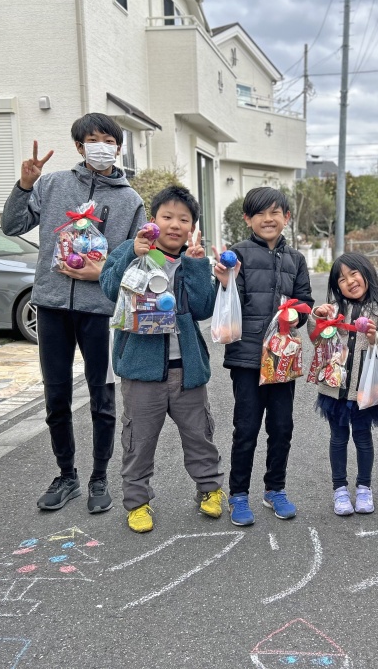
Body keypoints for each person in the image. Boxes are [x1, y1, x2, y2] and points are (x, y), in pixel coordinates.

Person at [1, 113, 145, 514]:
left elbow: (139, 259)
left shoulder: (130, 200)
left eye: (109, 141)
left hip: (100, 311)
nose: (102, 147)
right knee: (56, 395)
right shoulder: (52, 185)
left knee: (102, 396)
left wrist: (104, 271)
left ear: (119, 147)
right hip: (51, 306)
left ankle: (100, 476)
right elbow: (12, 226)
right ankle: (67, 475)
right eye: (93, 140)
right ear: (80, 147)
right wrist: (24, 185)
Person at [99, 185, 224, 533]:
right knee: (138, 441)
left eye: (183, 219)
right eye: (167, 216)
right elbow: (109, 289)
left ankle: (210, 488)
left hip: (187, 369)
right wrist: (132, 253)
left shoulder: (192, 259)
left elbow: (203, 308)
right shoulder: (132, 249)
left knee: (199, 436)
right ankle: (137, 502)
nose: (174, 225)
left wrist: (197, 266)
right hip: (142, 372)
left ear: (192, 227)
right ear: (153, 219)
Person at [212, 187, 313, 526]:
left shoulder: (296, 259)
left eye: (275, 212)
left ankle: (275, 489)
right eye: (259, 213)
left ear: (287, 217)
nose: (268, 219)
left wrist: (295, 315)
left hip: (283, 357)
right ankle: (238, 494)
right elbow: (229, 302)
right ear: (247, 219)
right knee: (246, 428)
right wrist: (225, 281)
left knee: (282, 427)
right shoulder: (237, 254)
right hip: (247, 358)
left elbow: (305, 301)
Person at [308, 253, 378, 516]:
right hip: (335, 388)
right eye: (341, 279)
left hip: (367, 389)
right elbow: (316, 337)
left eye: (353, 273)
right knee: (338, 438)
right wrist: (317, 317)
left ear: (366, 272)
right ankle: (340, 489)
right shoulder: (334, 307)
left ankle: (364, 487)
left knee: (363, 439)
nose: (349, 281)